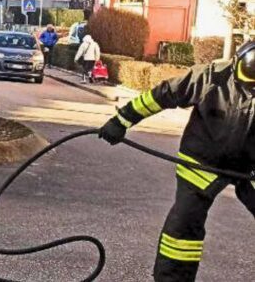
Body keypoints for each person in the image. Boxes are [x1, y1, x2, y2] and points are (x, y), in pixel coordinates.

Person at [97, 41, 255, 281]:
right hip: (201, 163)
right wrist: (122, 120)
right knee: (184, 224)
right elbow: (163, 95)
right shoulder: (211, 77)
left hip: (250, 169)